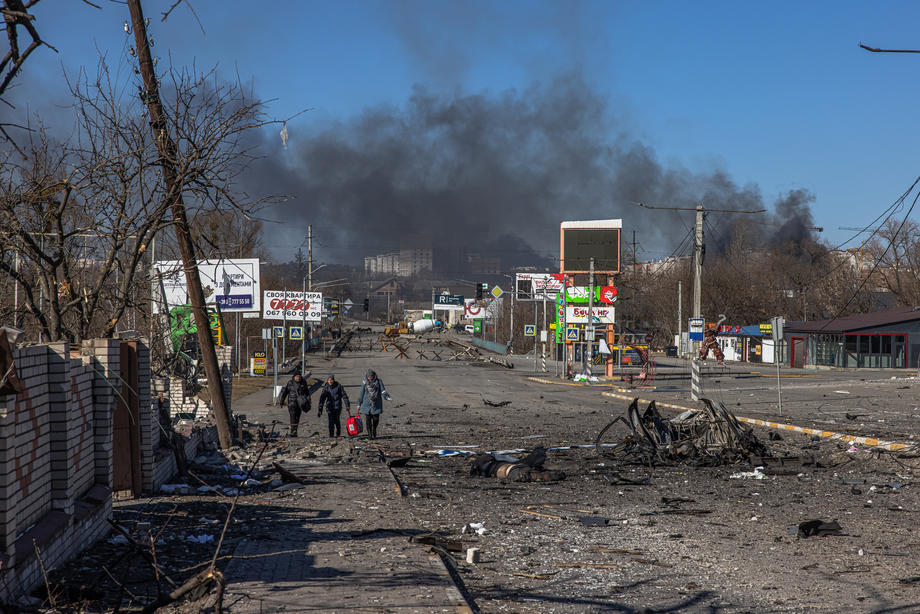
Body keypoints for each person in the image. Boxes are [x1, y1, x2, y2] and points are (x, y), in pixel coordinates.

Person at [357, 369, 390, 439]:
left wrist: (386, 397)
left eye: (371, 376)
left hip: (376, 404)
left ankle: (374, 429)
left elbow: (383, 390)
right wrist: (359, 403)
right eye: (368, 377)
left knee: (376, 419)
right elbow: (361, 393)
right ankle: (370, 435)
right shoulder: (364, 382)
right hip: (367, 404)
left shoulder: (378, 381)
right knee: (368, 420)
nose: (370, 378)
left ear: (374, 376)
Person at [278, 372, 311, 436]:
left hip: (300, 404)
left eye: (299, 376)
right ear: (294, 377)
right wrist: (281, 402)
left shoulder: (303, 382)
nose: (298, 378)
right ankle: (293, 431)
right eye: (297, 376)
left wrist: (308, 401)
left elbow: (307, 392)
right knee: (292, 417)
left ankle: (295, 430)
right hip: (291, 403)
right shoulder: (290, 383)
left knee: (297, 418)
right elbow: (285, 392)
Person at [317, 374, 350, 438]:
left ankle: (338, 434)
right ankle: (331, 435)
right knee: (330, 422)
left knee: (337, 421)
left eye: (331, 380)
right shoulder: (326, 387)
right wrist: (320, 408)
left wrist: (347, 405)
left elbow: (344, 396)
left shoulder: (338, 386)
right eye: (328, 380)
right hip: (329, 407)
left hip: (337, 407)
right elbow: (322, 398)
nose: (330, 381)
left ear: (333, 380)